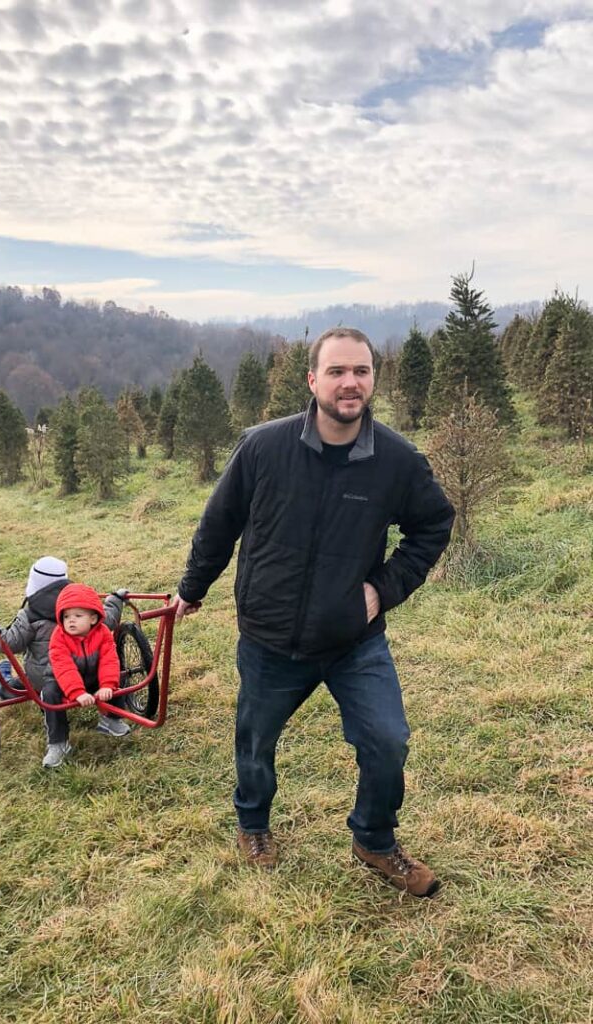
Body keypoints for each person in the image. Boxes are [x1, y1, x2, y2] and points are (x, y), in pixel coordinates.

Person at [173, 327, 454, 896]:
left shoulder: (397, 461)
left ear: (373, 379)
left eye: (361, 371)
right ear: (312, 380)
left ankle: (373, 839)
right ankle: (253, 824)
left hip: (353, 639)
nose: (350, 383)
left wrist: (384, 589)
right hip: (269, 640)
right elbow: (218, 523)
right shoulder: (262, 448)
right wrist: (193, 587)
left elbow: (434, 525)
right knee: (255, 742)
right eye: (336, 371)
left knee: (387, 740)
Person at [0, 555, 127, 728]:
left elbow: (10, 643)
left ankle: (5, 687)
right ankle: (110, 716)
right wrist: (115, 599)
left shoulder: (30, 615)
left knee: (30, 677)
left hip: (45, 680)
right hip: (87, 672)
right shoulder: (80, 608)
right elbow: (108, 618)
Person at [42, 582, 129, 768]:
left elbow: (109, 660)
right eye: (66, 616)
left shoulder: (103, 632)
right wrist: (77, 692)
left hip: (92, 676)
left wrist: (107, 685)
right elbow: (64, 667)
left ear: (93, 618)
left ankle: (110, 720)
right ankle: (58, 743)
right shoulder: (59, 637)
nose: (71, 620)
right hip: (62, 680)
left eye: (77, 615)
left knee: (117, 677)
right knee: (49, 694)